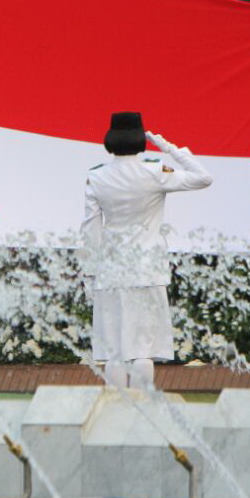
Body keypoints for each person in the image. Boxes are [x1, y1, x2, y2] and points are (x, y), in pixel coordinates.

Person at [81, 114, 212, 390]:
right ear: (141, 138)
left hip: (110, 269)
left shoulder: (97, 176)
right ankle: (143, 412)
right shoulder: (154, 171)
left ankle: (115, 410)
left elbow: (90, 230)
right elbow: (204, 178)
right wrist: (169, 148)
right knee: (143, 349)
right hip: (147, 269)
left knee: (115, 350)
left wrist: (89, 274)